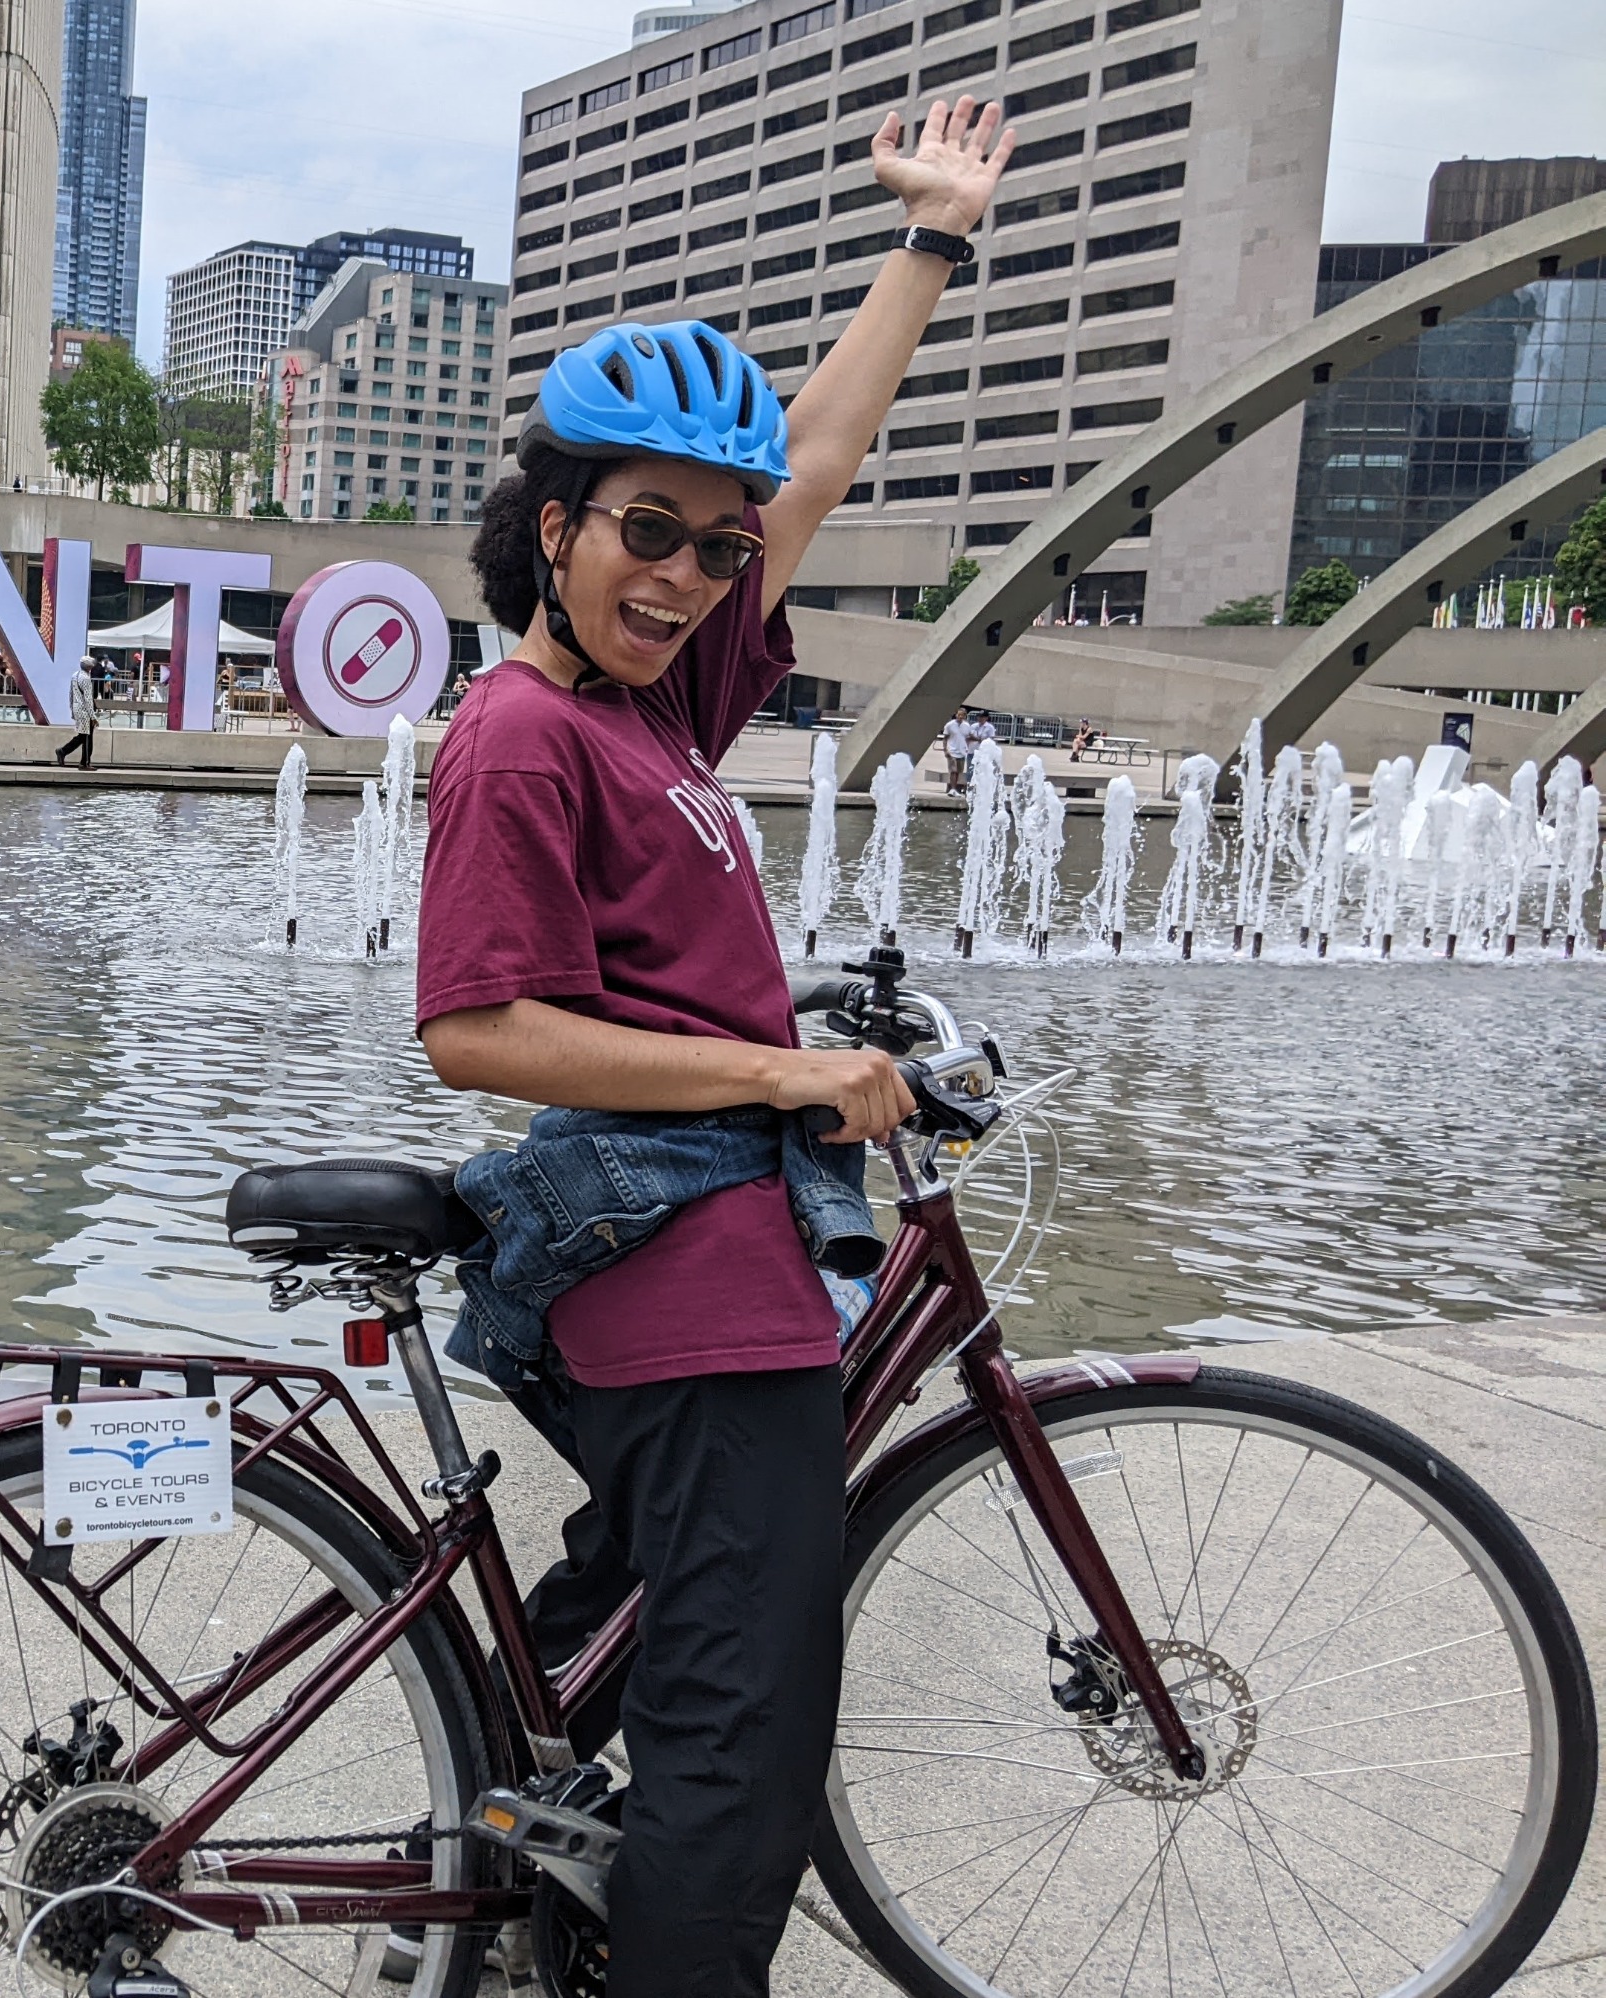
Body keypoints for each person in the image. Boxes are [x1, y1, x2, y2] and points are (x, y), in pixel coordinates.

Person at [410, 94, 1010, 1996]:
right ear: (555, 525)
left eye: (712, 547)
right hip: (687, 1281)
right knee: (739, 1751)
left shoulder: (650, 707)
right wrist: (776, 1072)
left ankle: (538, 1890)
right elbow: (479, 1029)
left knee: (683, 1639)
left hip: (716, 1260)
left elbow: (813, 463)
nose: (683, 576)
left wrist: (930, 244)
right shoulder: (528, 732)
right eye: (643, 534)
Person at [55, 652, 98, 770]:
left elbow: (71, 694)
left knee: (83, 736)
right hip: (85, 711)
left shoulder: (75, 675)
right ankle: (84, 763)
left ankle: (63, 751)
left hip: (77, 709)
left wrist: (72, 710)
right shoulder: (86, 679)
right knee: (87, 738)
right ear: (89, 667)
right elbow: (88, 699)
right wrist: (93, 716)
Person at [941, 705, 973, 794]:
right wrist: (945, 750)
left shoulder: (966, 726)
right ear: (956, 715)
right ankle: (953, 789)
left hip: (962, 752)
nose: (960, 717)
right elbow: (945, 738)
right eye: (959, 715)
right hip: (952, 751)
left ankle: (954, 788)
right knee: (953, 771)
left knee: (959, 772)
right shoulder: (950, 725)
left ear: (965, 716)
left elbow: (968, 737)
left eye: (962, 715)